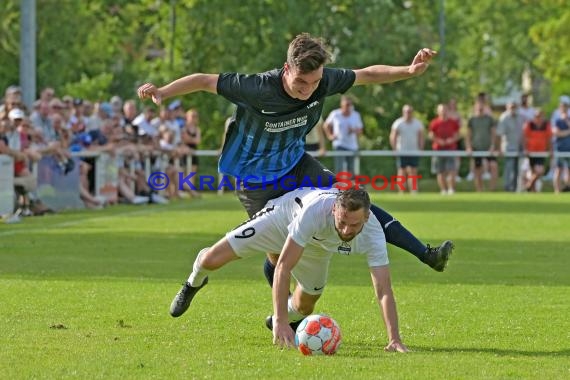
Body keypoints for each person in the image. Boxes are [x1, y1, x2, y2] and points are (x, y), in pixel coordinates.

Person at [137, 33, 452, 284]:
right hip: (254, 178)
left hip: (296, 163)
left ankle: (426, 254)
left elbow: (367, 74)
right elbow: (205, 81)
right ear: (287, 69)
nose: (308, 90)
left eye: (315, 83)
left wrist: (409, 71)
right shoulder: (258, 87)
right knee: (278, 254)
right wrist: (164, 91)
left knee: (351, 196)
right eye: (301, 82)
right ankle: (281, 313)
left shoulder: (323, 81)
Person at [170, 187, 408, 353]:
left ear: (366, 217)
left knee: (306, 305)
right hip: (279, 222)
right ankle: (194, 281)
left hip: (317, 247)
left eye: (353, 224)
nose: (346, 230)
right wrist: (282, 323)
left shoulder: (374, 233)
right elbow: (283, 267)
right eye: (342, 221)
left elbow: (383, 290)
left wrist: (394, 339)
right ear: (335, 209)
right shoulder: (315, 212)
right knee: (211, 260)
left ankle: (274, 316)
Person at [390, 104, 424, 193]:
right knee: (402, 171)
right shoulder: (398, 123)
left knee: (413, 171)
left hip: (414, 151)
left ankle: (413, 191)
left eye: (409, 112)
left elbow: (421, 137)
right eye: (406, 111)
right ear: (403, 112)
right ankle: (401, 191)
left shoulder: (417, 123)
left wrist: (421, 149)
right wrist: (394, 149)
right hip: (401, 151)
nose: (408, 113)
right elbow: (393, 136)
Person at [324, 96, 363, 174]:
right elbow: (326, 125)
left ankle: (350, 186)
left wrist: (353, 130)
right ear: (342, 105)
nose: (348, 107)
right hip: (339, 145)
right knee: (339, 169)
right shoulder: (335, 114)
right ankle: (339, 186)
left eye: (350, 104)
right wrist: (330, 136)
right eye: (346, 105)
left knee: (351, 170)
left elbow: (360, 131)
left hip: (352, 146)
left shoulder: (356, 115)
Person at [466, 101, 498, 192]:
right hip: (476, 147)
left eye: (481, 108)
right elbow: (468, 135)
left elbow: (493, 133)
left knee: (493, 166)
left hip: (488, 147)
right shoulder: (472, 120)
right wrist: (469, 146)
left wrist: (492, 145)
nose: (480, 109)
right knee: (478, 169)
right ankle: (479, 190)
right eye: (478, 108)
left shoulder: (489, 119)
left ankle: (492, 189)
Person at [429, 104, 460, 195]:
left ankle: (451, 189)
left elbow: (457, 134)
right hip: (438, 150)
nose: (443, 112)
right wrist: (439, 141)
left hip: (451, 149)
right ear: (438, 111)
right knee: (440, 171)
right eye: (441, 110)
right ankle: (443, 190)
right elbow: (431, 135)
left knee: (452, 170)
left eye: (445, 110)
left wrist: (451, 140)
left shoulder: (453, 122)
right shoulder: (434, 123)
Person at [522, 109, 551, 192]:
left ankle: (529, 184)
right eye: (537, 116)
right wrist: (525, 149)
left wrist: (550, 150)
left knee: (540, 171)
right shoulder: (529, 124)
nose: (538, 118)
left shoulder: (546, 125)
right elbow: (525, 138)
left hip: (541, 152)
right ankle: (533, 191)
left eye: (540, 116)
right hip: (531, 152)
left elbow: (549, 139)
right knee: (533, 172)